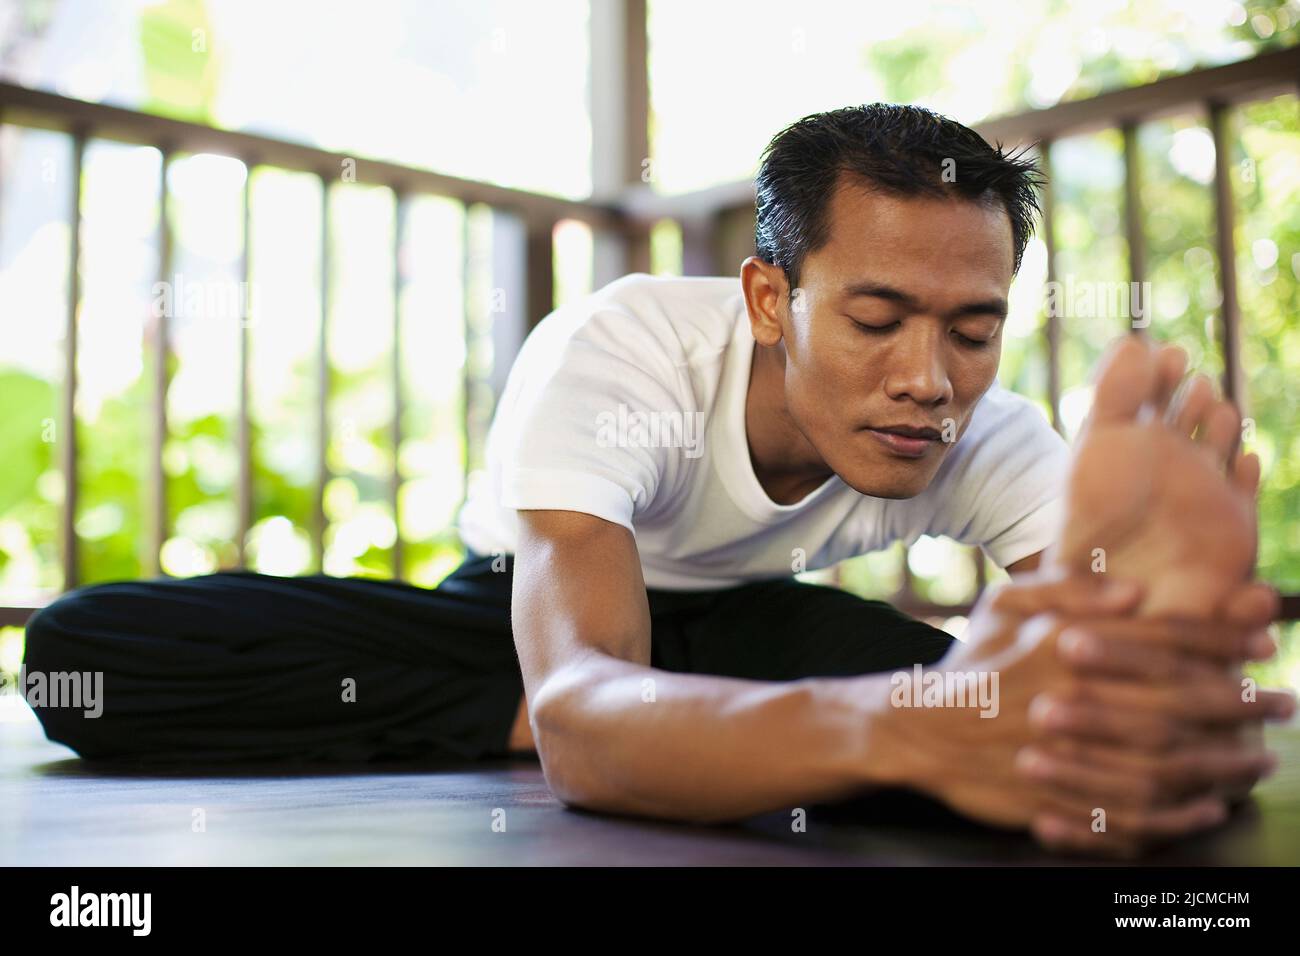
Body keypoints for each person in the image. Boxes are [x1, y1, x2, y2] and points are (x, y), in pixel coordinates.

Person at [22, 104, 1290, 858]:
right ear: (768, 297)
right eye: (878, 318)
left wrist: (1161, 649)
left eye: (971, 328)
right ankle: (707, 717)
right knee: (89, 649)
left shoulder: (992, 433)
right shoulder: (618, 349)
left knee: (1011, 726)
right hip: (521, 613)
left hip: (750, 629)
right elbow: (579, 720)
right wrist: (893, 723)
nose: (928, 378)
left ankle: (708, 718)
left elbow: (1120, 715)